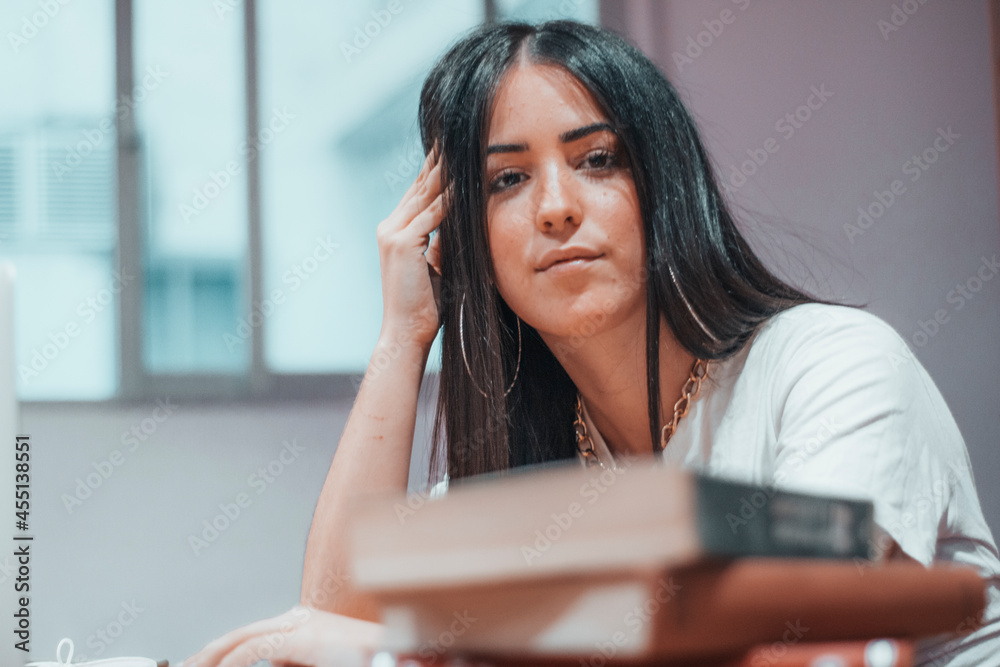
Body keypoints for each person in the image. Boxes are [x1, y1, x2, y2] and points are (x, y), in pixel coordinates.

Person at [183, 20, 1000, 667]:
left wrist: (412, 648)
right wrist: (404, 336)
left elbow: (794, 637)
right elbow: (327, 628)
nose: (555, 208)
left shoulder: (835, 365)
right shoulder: (533, 467)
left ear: (665, 187)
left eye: (597, 159)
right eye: (507, 179)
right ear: (465, 234)